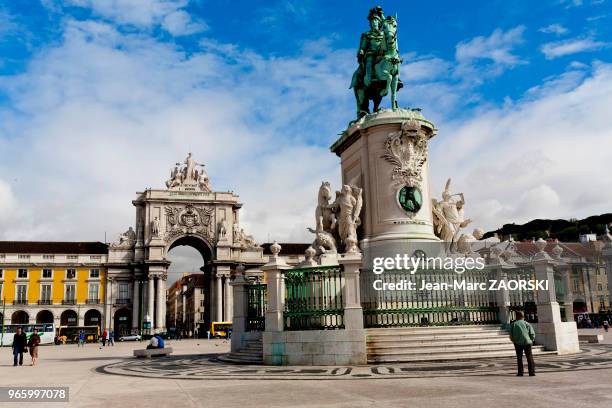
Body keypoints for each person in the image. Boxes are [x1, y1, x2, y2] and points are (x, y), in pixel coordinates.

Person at [509, 311, 536, 376]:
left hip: (518, 343)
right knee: (529, 357)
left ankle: (520, 372)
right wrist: (531, 340)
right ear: (523, 316)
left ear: (517, 316)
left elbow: (511, 335)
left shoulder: (513, 324)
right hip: (527, 342)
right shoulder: (527, 324)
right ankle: (532, 372)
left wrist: (514, 341)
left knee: (519, 358)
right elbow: (532, 334)